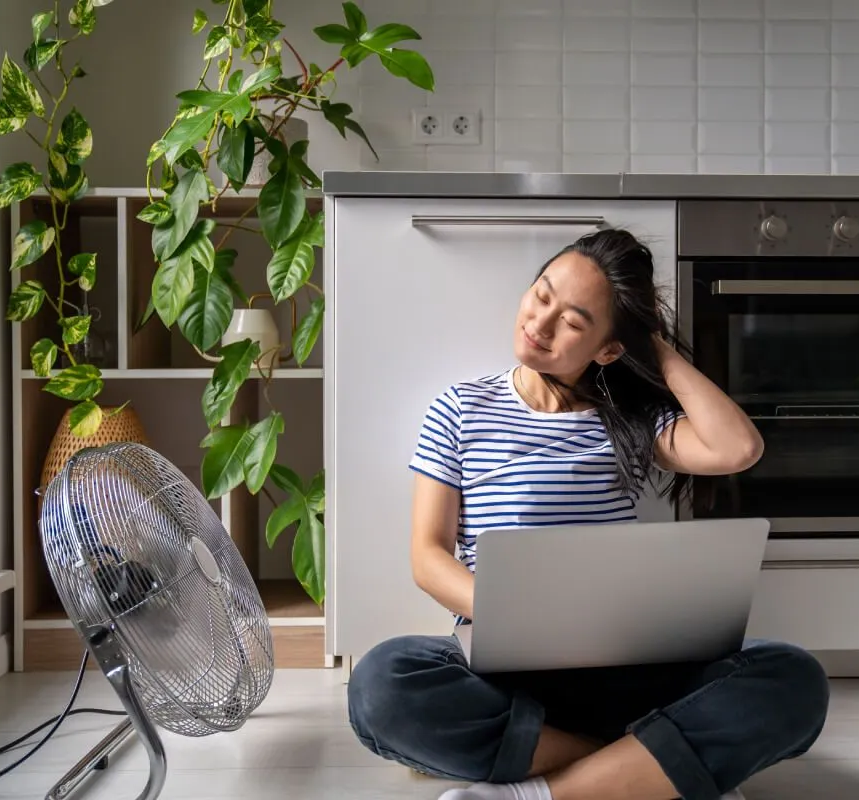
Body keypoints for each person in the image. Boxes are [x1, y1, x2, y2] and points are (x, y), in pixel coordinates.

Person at [346, 229, 830, 800]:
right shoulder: (460, 408)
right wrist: (519, 619)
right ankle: (654, 770)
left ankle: (539, 793)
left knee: (794, 679)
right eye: (542, 294)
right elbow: (428, 558)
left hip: (626, 667)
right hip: (506, 670)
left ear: (608, 350)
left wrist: (653, 348)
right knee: (381, 685)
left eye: (574, 322)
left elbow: (737, 450)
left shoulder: (630, 419)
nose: (540, 323)